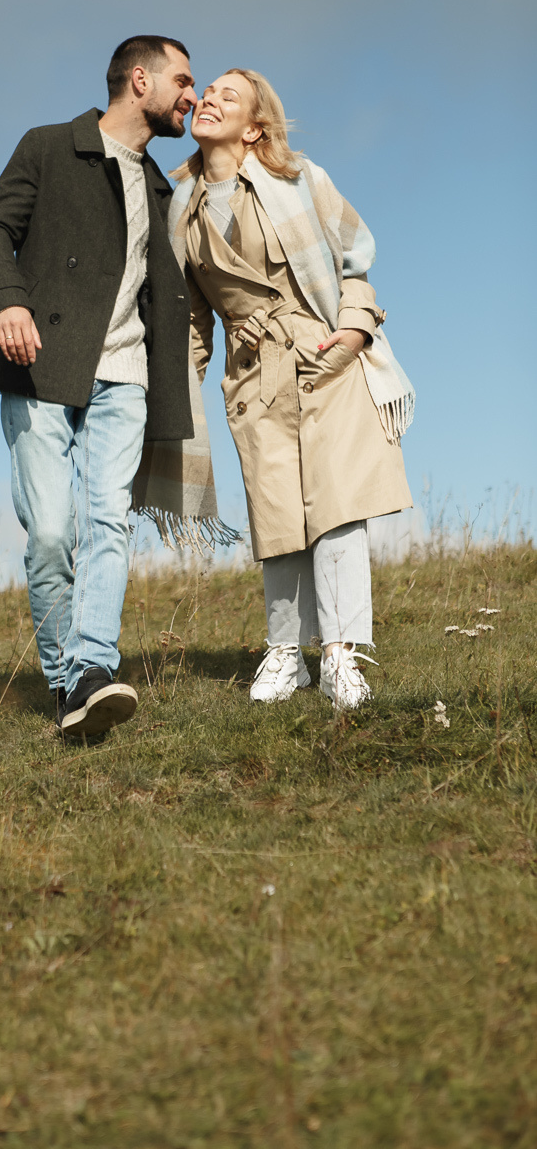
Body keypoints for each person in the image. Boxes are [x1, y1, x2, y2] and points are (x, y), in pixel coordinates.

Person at [0, 37, 198, 737]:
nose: (191, 95)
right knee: (48, 534)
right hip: (41, 356)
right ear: (140, 80)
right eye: (183, 81)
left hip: (125, 374)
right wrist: (8, 300)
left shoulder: (162, 187)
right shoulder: (48, 146)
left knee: (106, 522)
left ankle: (91, 669)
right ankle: (64, 680)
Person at [171, 69, 414, 709]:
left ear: (255, 127)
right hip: (253, 370)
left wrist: (357, 331)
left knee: (337, 510)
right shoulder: (183, 208)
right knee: (277, 515)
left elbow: (355, 258)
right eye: (208, 90)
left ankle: (338, 655)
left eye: (229, 94)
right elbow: (194, 315)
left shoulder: (299, 179)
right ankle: (287, 654)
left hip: (325, 355)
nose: (210, 98)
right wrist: (177, 390)